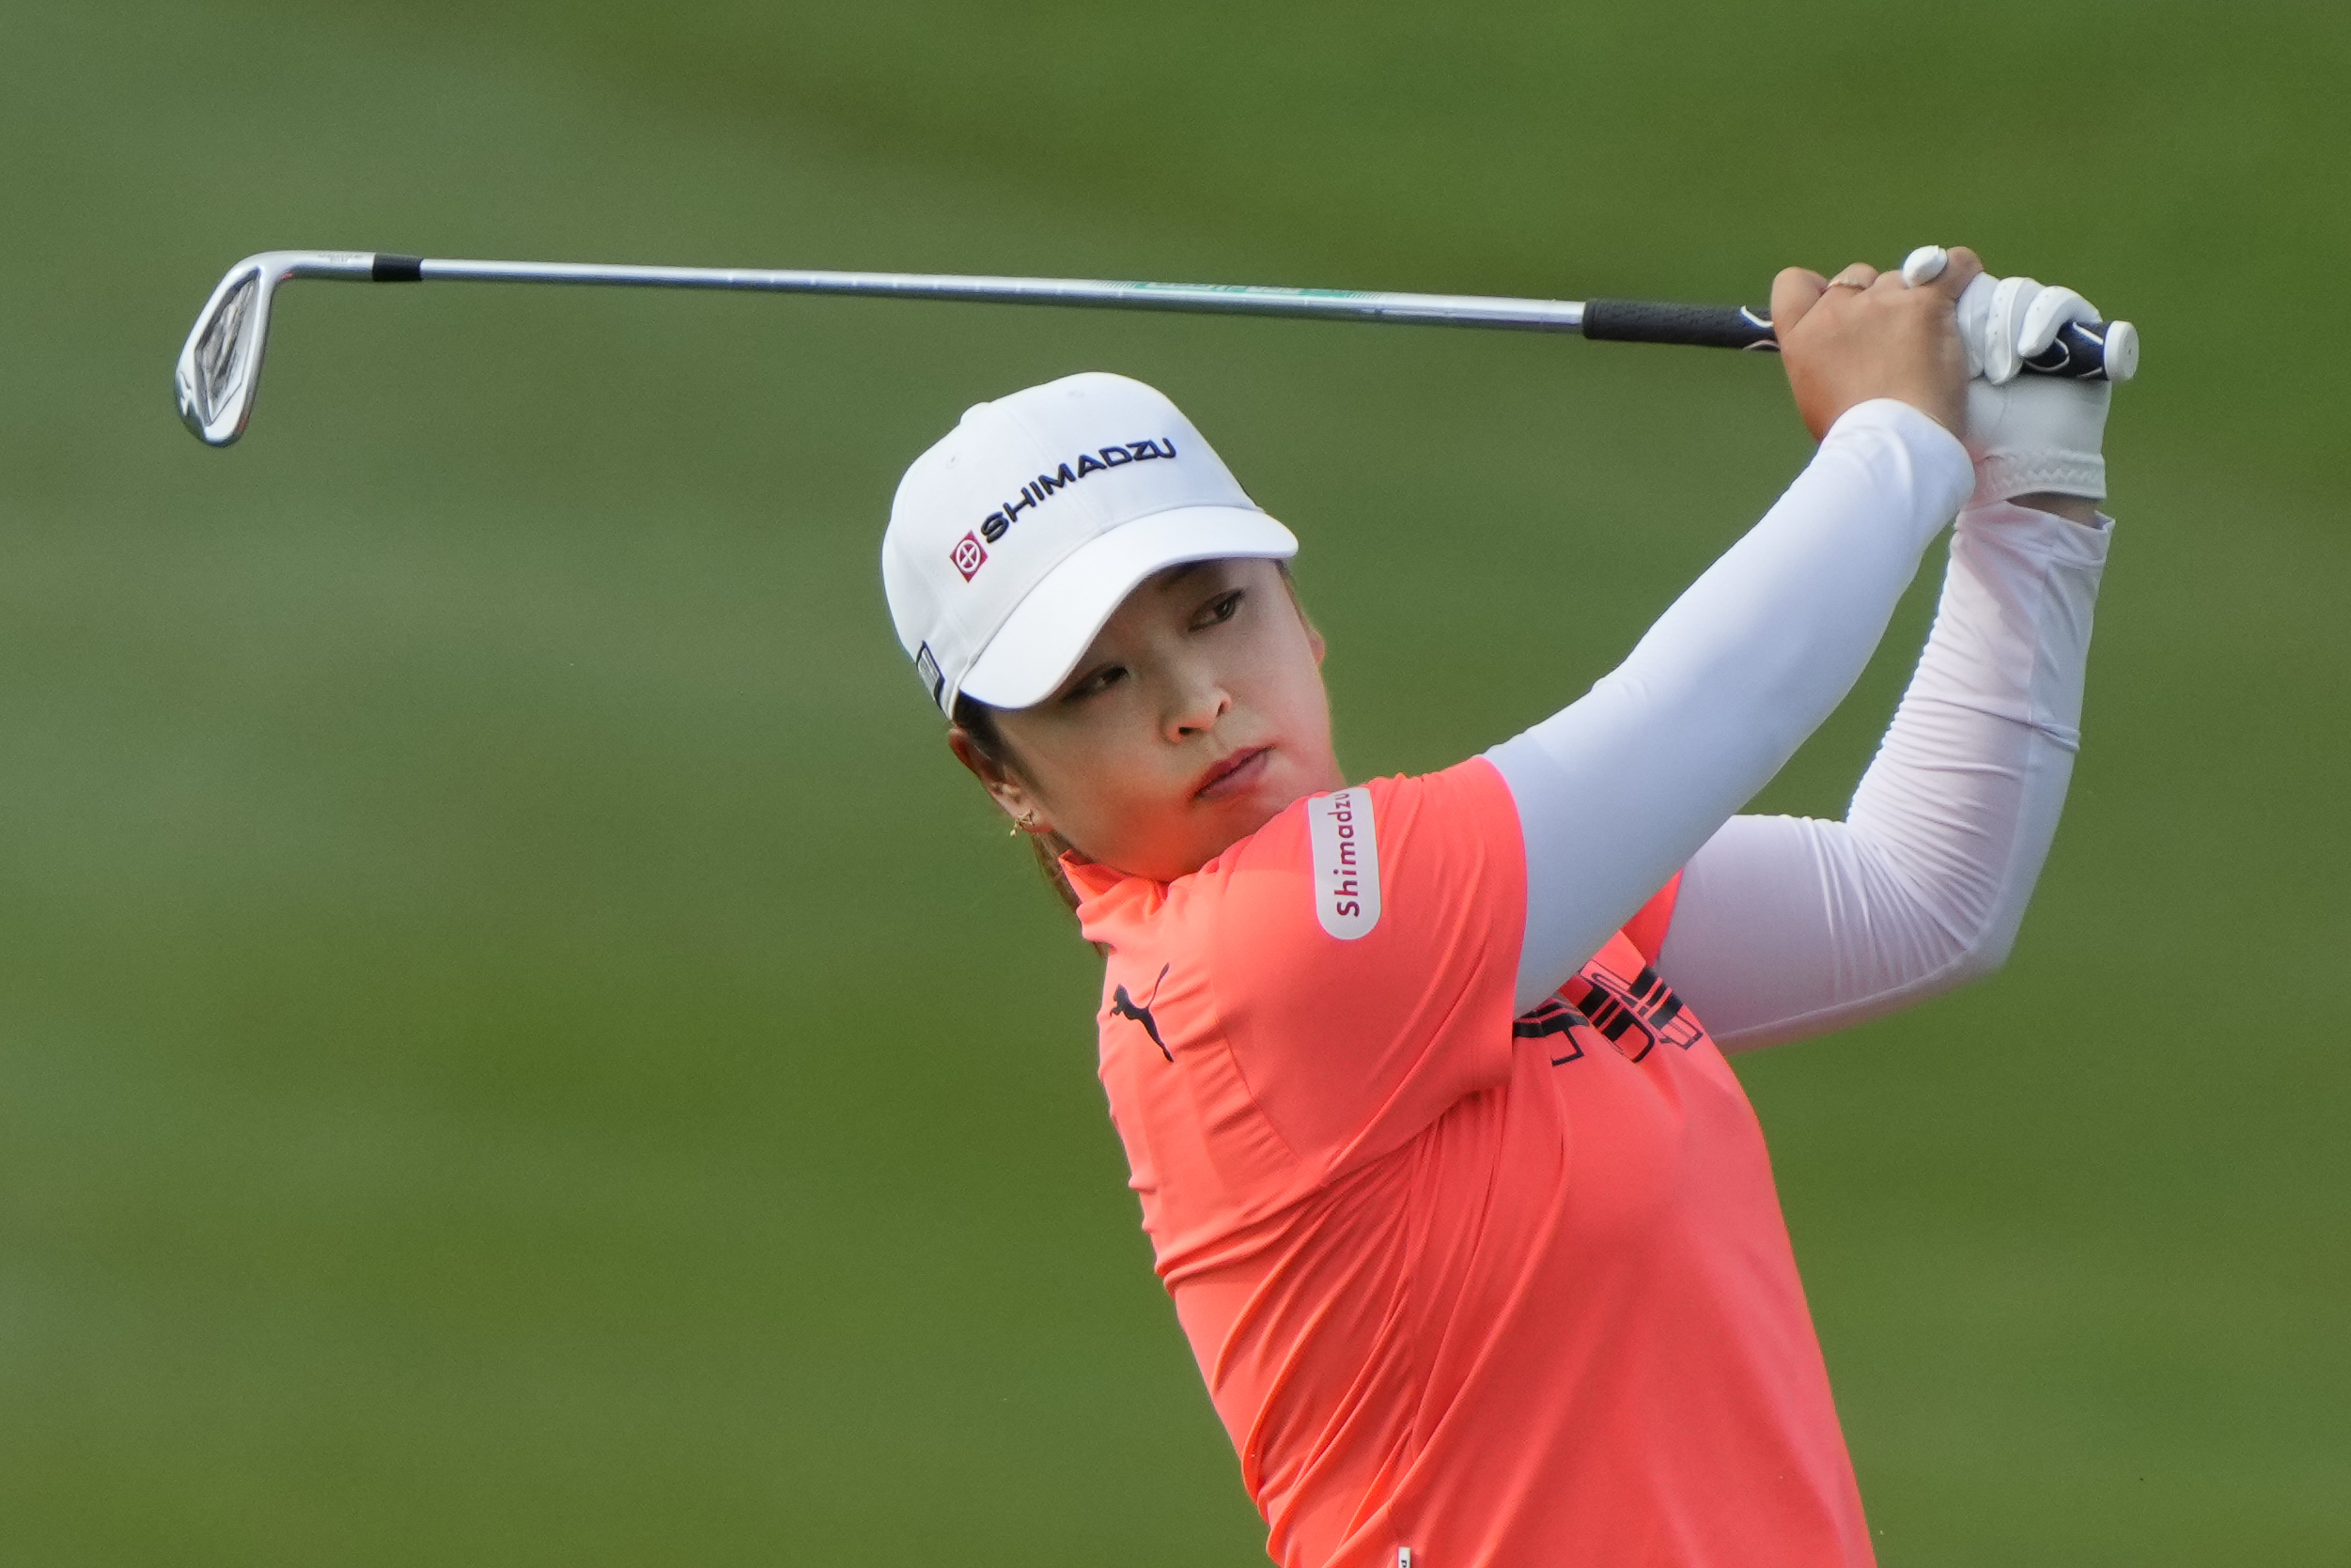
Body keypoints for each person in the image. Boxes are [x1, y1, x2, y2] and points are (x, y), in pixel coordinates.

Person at [879, 246, 2114, 1568]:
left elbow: (1911, 900)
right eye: (1095, 684)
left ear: (1301, 614)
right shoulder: (1263, 955)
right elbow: (1709, 703)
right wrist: (1893, 438)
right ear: (999, 775)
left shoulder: (1468, 918)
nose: (1194, 700)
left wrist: (2030, 492)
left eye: (1218, 609)